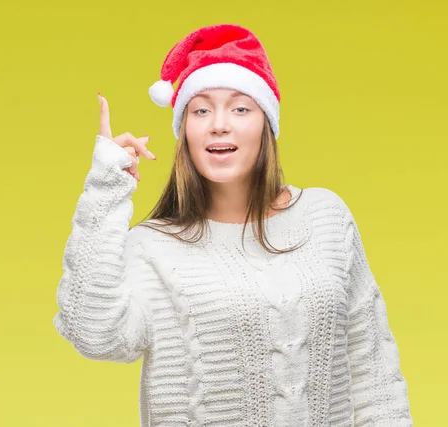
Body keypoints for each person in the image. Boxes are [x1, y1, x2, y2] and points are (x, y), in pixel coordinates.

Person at [52, 23, 413, 427]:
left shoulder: (325, 216)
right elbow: (94, 335)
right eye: (201, 109)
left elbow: (374, 373)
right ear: (184, 129)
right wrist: (106, 187)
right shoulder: (154, 245)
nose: (219, 124)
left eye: (241, 108)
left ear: (266, 125)